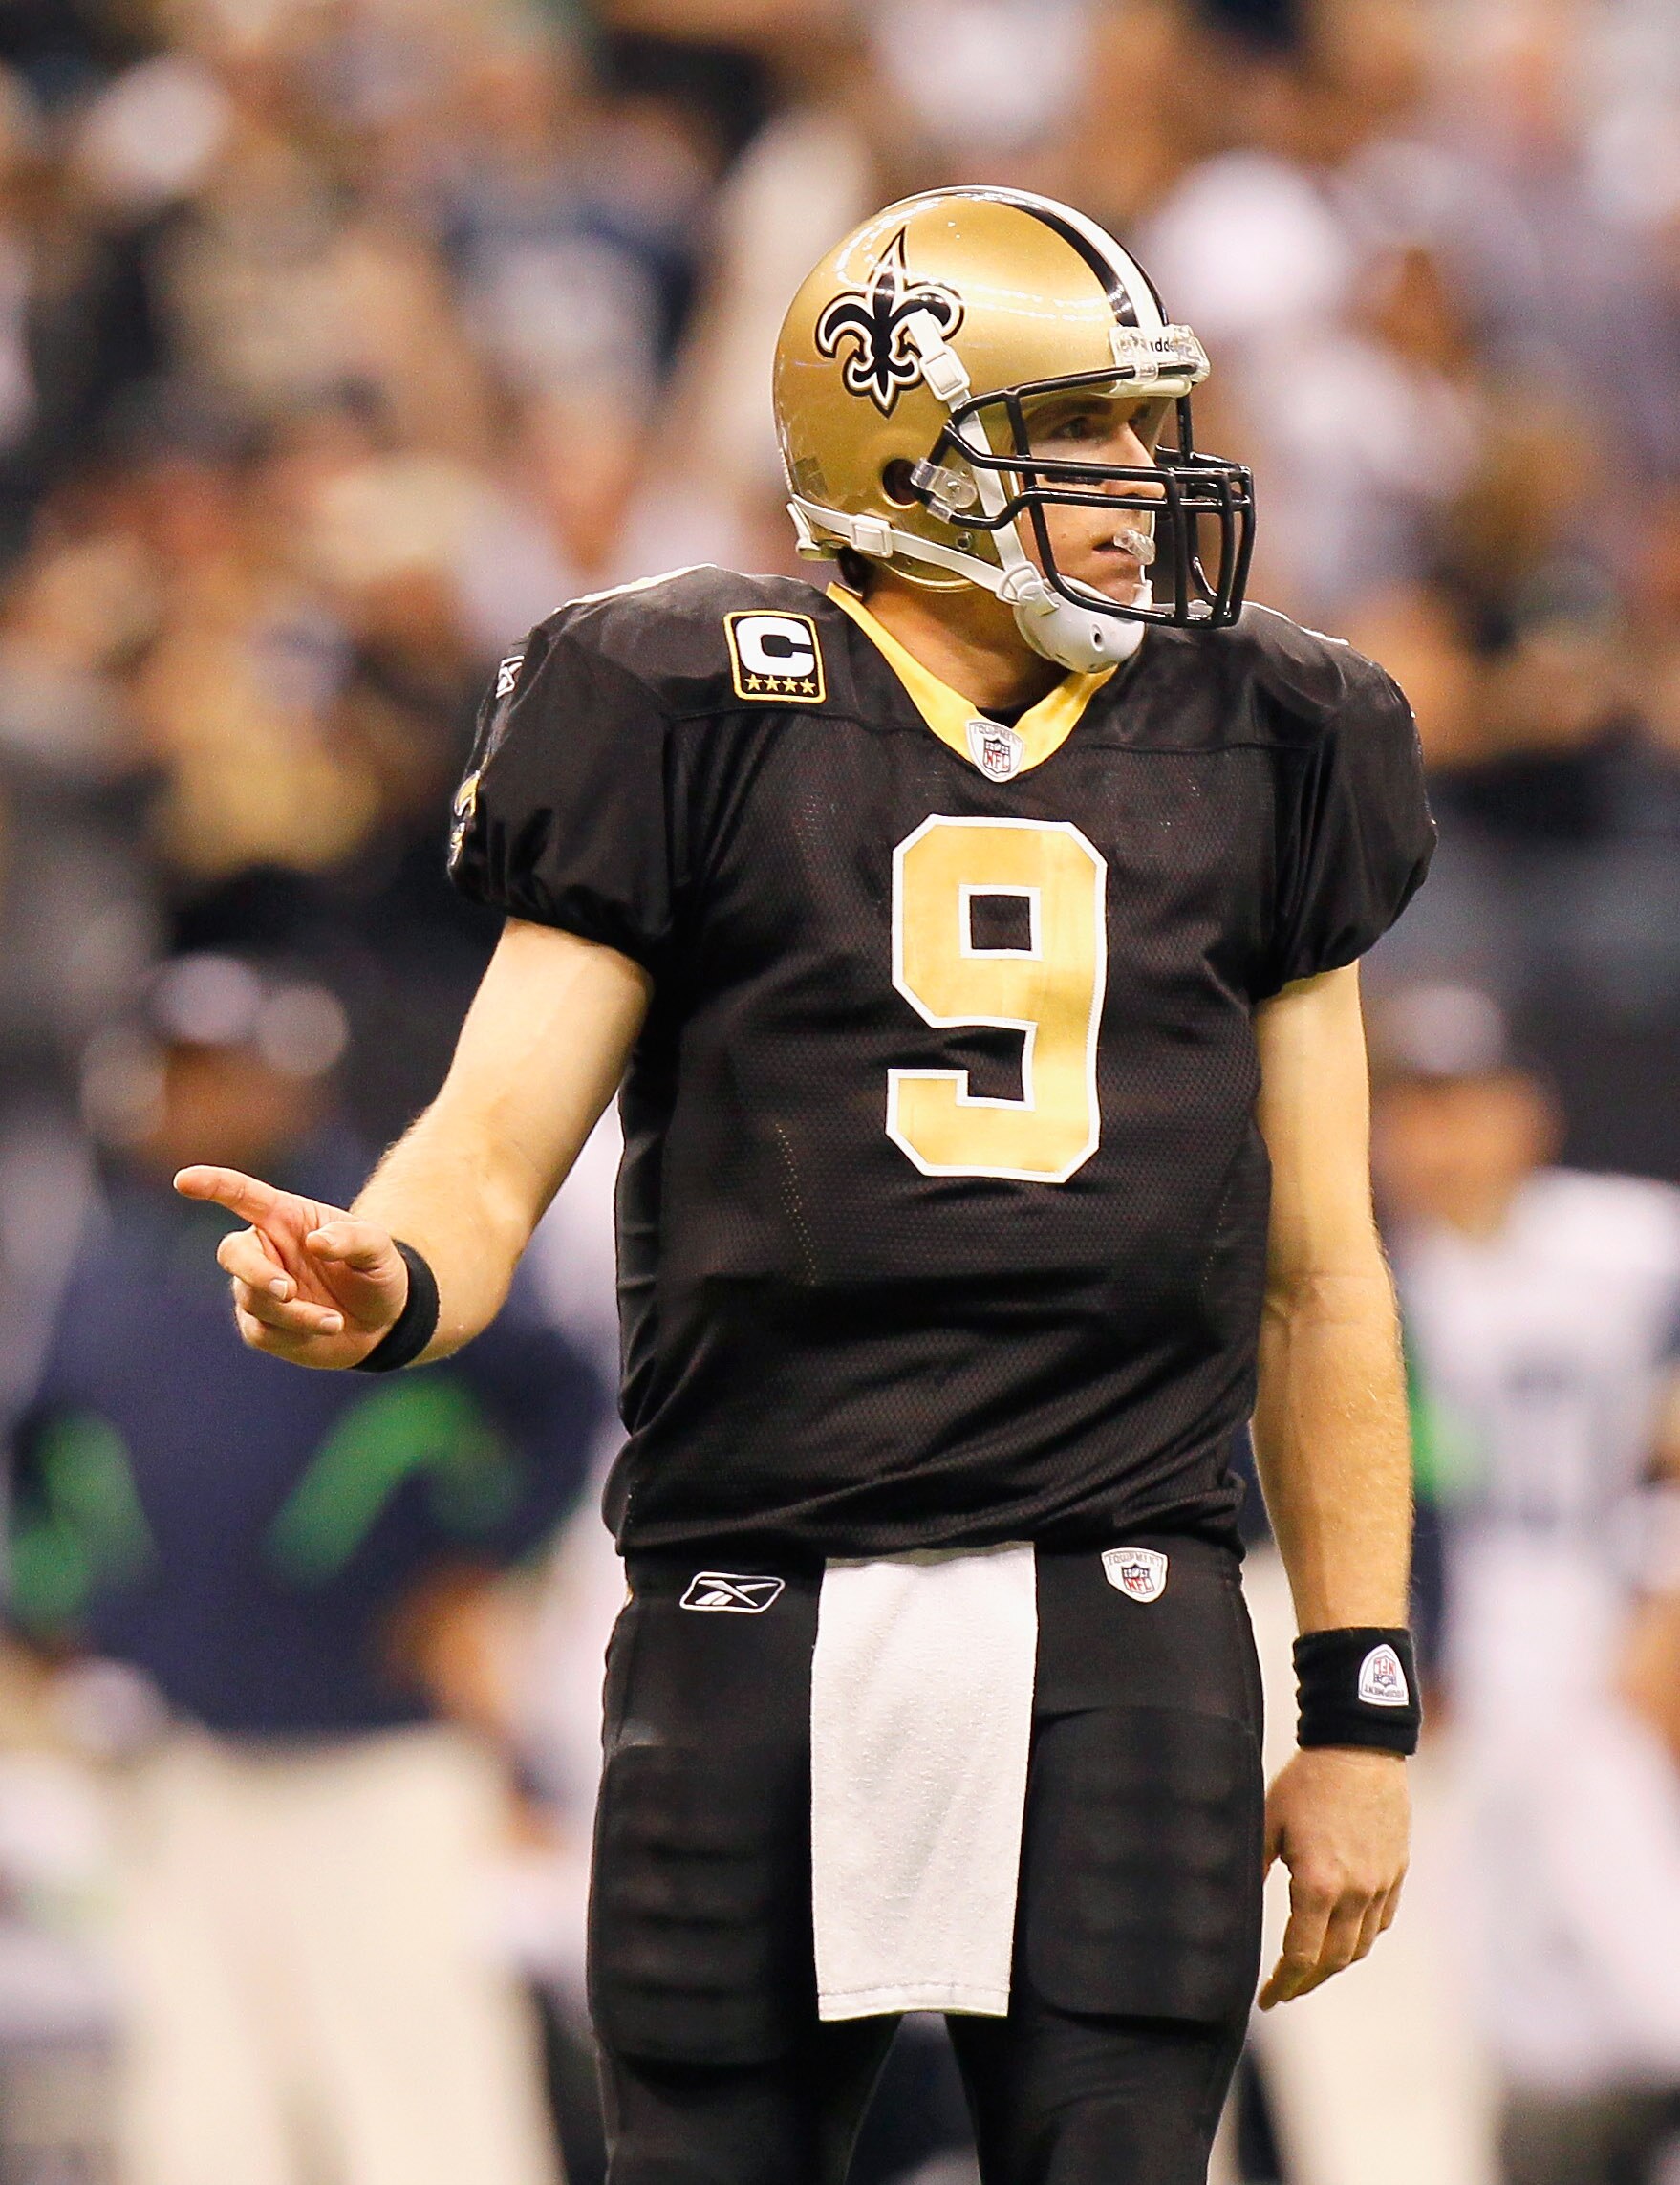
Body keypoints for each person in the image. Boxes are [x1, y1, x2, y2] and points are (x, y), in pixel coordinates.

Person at [178, 188, 1435, 2184]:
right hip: (752, 1588)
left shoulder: (1271, 734)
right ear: (905, 456)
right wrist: (393, 1275)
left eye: (1140, 427)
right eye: (1080, 434)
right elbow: (497, 1138)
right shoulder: (687, 699)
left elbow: (1321, 1274)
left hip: (1117, 1600)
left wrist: (1357, 1707)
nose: (1140, 481)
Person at [11, 951, 606, 2185]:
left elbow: (554, 1405)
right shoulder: (109, 1258)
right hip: (179, 1746)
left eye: (227, 1071)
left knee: (420, 2094)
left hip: (377, 1739)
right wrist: (50, 1620)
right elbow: (38, 1457)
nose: (196, 1101)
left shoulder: (381, 1235)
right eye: (175, 1074)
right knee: (205, 2100)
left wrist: (475, 1572)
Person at [1373, 983, 1680, 2185]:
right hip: (1468, 1675)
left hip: (1609, 1636)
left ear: (1528, 1113)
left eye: (1467, 1105)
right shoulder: (1369, 1279)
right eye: (1415, 1111)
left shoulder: (1631, 1242)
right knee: (1507, 2005)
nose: (1443, 1142)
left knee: (1645, 1951)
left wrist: (1667, 1596)